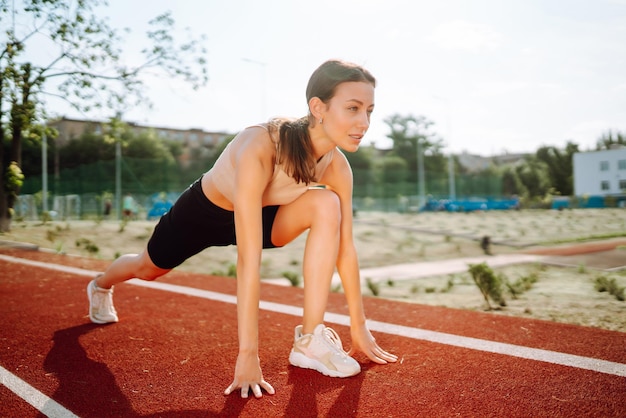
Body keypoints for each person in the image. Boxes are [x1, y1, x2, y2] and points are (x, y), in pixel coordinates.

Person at [87, 59, 398, 399]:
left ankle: (309, 340)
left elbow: (345, 249)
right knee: (147, 268)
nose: (363, 122)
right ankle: (101, 285)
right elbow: (248, 261)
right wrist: (248, 355)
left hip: (267, 217)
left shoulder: (337, 167)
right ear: (318, 108)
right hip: (204, 212)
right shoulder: (262, 144)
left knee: (327, 204)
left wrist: (359, 326)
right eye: (353, 108)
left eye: (369, 110)